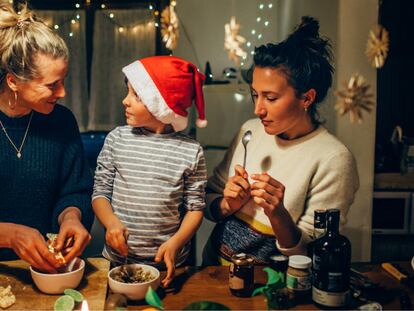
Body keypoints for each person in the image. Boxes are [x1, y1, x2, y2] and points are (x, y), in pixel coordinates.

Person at [203, 16, 359, 265]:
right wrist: (227, 204)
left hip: (272, 286)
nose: (258, 109)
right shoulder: (249, 131)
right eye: (255, 95)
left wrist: (278, 214)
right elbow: (208, 201)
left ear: (306, 98)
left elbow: (314, 254)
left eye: (271, 98)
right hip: (214, 270)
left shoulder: (334, 159)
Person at [92, 56, 207, 287]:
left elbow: (195, 209)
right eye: (127, 92)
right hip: (117, 261)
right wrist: (112, 223)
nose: (125, 101)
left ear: (160, 104)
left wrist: (175, 243)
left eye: (136, 95)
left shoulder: (191, 150)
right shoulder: (117, 139)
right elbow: (100, 193)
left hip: (167, 265)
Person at [0, 3, 93, 272]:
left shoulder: (62, 122)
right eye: (52, 84)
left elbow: (75, 190)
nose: (62, 93)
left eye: (63, 80)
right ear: (13, 81)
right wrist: (9, 235)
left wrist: (71, 218)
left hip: (44, 272)